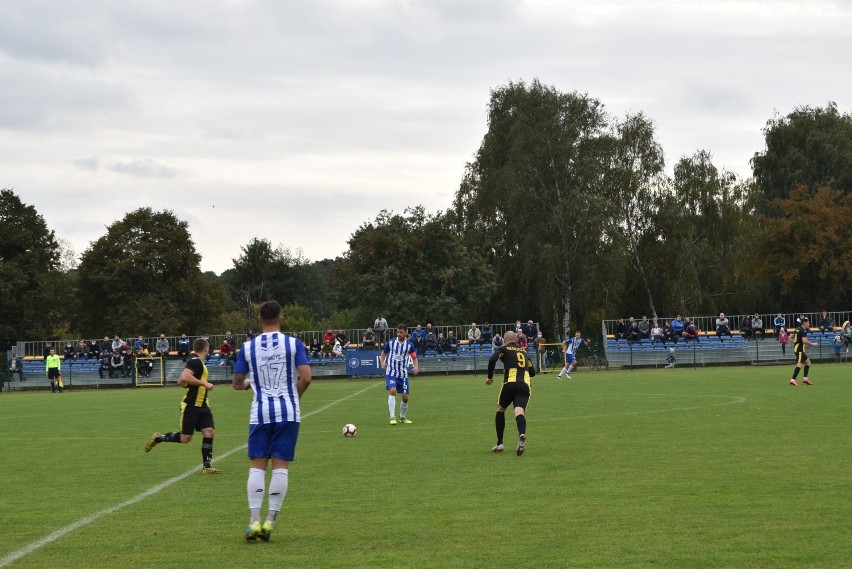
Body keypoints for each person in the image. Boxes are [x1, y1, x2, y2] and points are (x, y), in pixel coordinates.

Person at [231, 300, 312, 542]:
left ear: (258, 319)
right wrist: (293, 399)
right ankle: (270, 521)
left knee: (257, 464)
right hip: (288, 411)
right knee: (281, 465)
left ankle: (254, 522)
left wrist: (247, 384)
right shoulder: (293, 343)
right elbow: (306, 377)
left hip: (261, 412)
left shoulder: (247, 347)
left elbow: (236, 382)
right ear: (282, 317)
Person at [145, 338, 222, 474]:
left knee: (209, 432)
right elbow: (184, 377)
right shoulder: (195, 361)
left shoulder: (197, 361)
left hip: (203, 405)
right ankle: (159, 438)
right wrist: (204, 384)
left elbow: (181, 381)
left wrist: (193, 385)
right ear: (205, 348)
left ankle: (207, 467)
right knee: (185, 438)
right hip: (191, 406)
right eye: (208, 348)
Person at [485, 331, 535, 456]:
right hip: (524, 385)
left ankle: (500, 443)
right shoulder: (524, 351)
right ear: (515, 340)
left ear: (505, 339)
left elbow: (492, 359)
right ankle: (521, 435)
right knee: (519, 411)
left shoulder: (504, 348)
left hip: (510, 383)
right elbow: (533, 372)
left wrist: (490, 377)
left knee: (500, 409)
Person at [380, 323, 419, 425]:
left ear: (406, 333)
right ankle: (392, 417)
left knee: (405, 397)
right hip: (391, 372)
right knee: (392, 390)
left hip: (403, 374)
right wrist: (383, 362)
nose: (399, 334)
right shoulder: (391, 343)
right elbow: (383, 353)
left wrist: (416, 367)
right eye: (398, 332)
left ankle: (402, 417)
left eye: (401, 332)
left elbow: (414, 358)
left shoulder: (409, 345)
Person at [789, 317, 818, 386]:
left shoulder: (797, 330)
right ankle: (793, 379)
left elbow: (790, 337)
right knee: (800, 364)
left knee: (808, 362)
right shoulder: (803, 331)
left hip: (797, 349)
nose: (809, 324)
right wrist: (813, 344)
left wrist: (795, 343)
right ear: (804, 323)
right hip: (799, 350)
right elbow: (804, 341)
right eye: (808, 323)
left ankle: (805, 378)